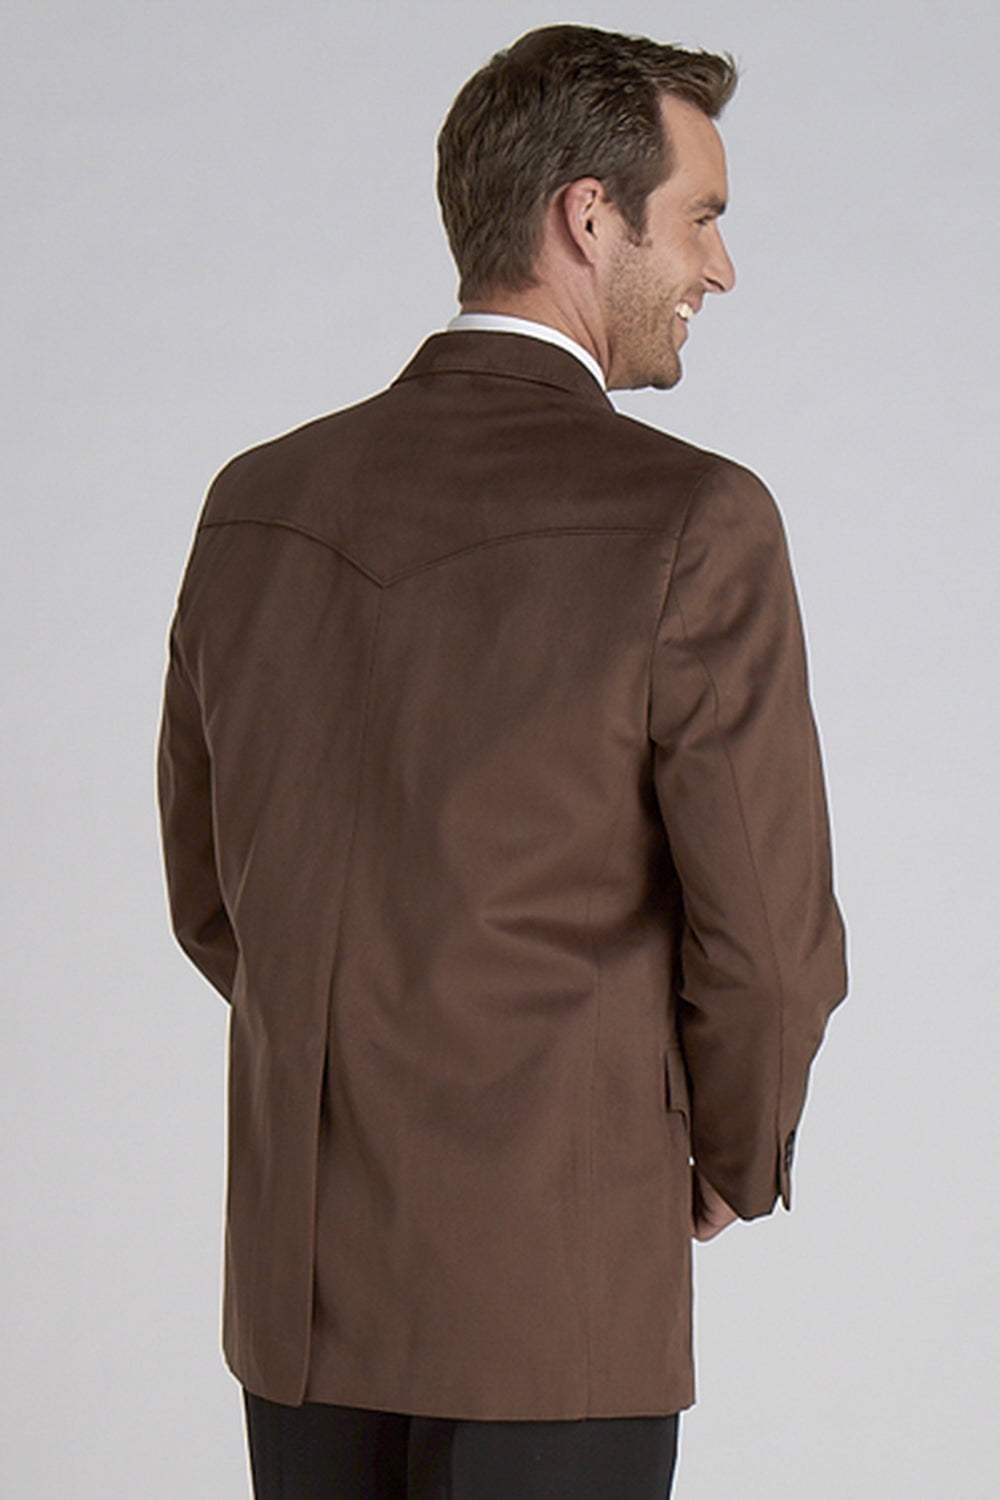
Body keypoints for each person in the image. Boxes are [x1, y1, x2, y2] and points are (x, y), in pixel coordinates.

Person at [157, 23, 848, 1500]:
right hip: (555, 1297)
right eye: (701, 217)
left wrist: (363, 1066)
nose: (721, 267)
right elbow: (769, 951)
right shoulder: (694, 521)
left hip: (300, 1303)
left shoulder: (256, 505)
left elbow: (218, 901)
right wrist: (728, 1154)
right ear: (588, 217)